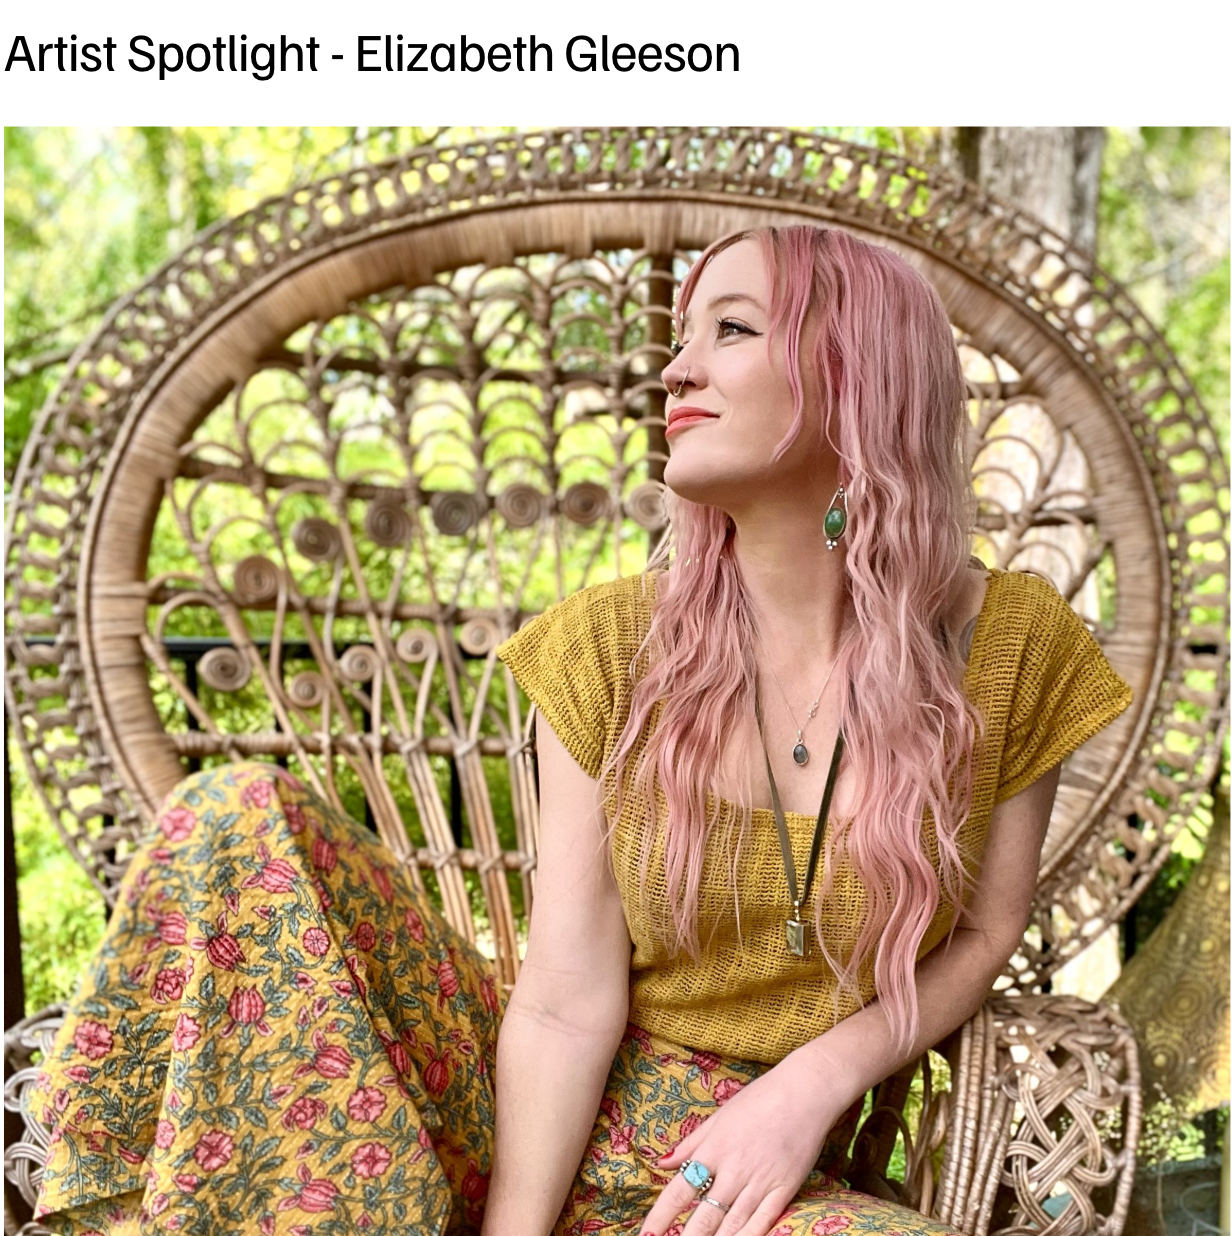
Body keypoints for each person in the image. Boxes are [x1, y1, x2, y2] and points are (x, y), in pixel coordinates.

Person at [28, 224, 1134, 1236]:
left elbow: (985, 935)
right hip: (475, 1115)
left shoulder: (1009, 648)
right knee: (233, 809)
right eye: (680, 336)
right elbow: (562, 1004)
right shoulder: (612, 646)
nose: (674, 369)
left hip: (732, 1171)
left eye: (730, 330)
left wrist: (809, 1086)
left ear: (856, 372)